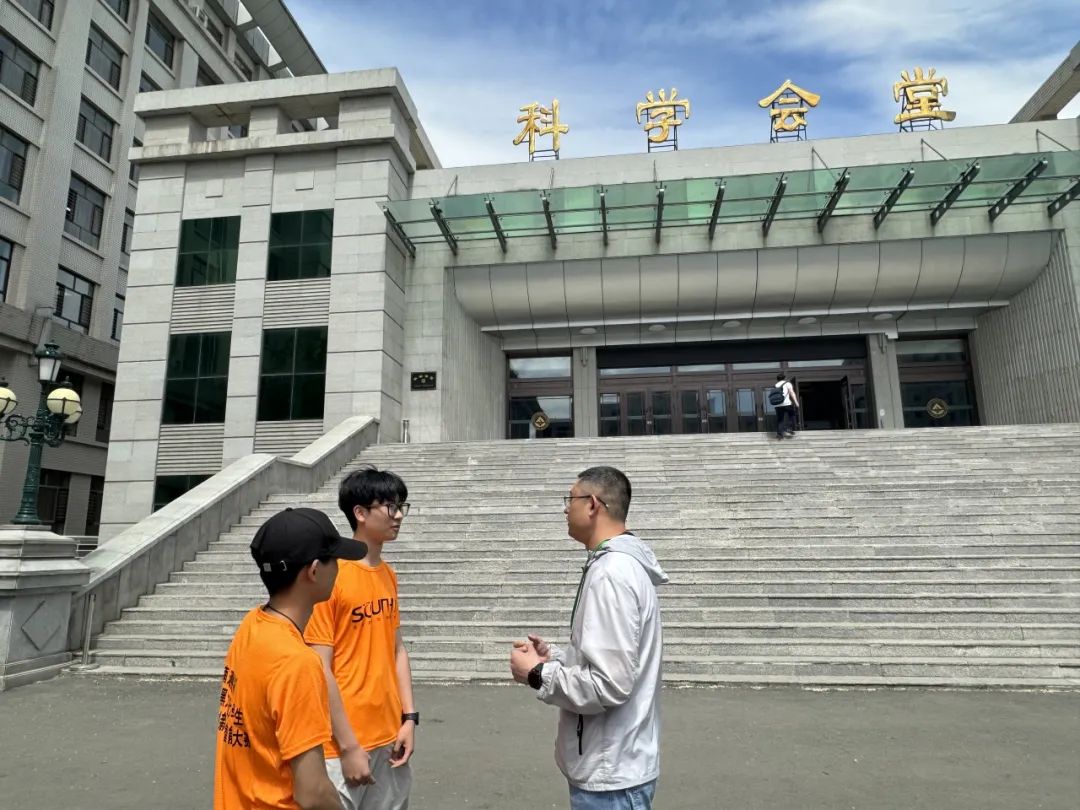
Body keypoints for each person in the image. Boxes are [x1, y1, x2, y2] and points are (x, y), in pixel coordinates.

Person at [510, 466, 669, 810]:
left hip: (610, 773)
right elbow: (614, 660)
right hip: (616, 763)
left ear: (593, 504)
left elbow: (609, 684)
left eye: (570, 499)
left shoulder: (612, 573)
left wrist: (537, 673)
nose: (565, 508)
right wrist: (553, 657)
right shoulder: (616, 565)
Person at [214, 507, 369, 810]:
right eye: (334, 560)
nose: (339, 568)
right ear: (314, 571)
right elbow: (313, 792)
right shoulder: (298, 662)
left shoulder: (251, 625)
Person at [305, 467, 417, 810]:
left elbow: (396, 650)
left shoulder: (388, 574)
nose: (399, 516)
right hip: (343, 743)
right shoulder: (331, 576)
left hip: (390, 737)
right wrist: (348, 745)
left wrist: (409, 718)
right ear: (360, 513)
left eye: (401, 506)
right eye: (390, 506)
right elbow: (319, 667)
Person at [773, 373, 800, 439]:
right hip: (787, 403)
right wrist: (796, 402)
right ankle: (789, 428)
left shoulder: (775, 385)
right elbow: (792, 393)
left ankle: (779, 434)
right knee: (792, 415)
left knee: (780, 420)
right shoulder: (787, 384)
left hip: (778, 405)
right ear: (784, 378)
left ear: (777, 379)